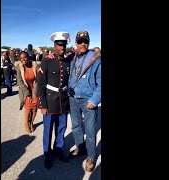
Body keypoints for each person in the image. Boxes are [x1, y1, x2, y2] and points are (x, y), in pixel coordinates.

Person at [67, 30, 101, 172]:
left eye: (85, 41)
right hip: (73, 99)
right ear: (76, 43)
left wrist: (94, 99)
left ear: (88, 42)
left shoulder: (95, 58)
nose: (83, 44)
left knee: (90, 130)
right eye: (80, 41)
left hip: (88, 100)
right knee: (76, 127)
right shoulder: (73, 57)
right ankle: (80, 148)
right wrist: (49, 57)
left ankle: (92, 157)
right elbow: (59, 60)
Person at [37, 32, 71, 169]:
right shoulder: (46, 61)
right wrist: (42, 105)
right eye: (59, 44)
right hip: (50, 102)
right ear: (54, 46)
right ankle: (47, 155)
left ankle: (59, 150)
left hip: (63, 102)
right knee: (48, 130)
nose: (62, 47)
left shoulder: (68, 61)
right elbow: (40, 84)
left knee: (61, 129)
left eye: (64, 44)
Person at [16, 51, 38, 133]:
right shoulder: (19, 68)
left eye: (25, 57)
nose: (23, 59)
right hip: (26, 91)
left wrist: (34, 93)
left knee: (35, 109)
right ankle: (26, 123)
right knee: (28, 109)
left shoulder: (34, 66)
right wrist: (28, 94)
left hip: (34, 90)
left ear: (28, 57)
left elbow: (38, 80)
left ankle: (31, 122)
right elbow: (20, 82)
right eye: (21, 58)